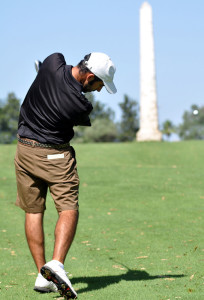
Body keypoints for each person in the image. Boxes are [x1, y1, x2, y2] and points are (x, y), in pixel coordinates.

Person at [14, 52, 116, 299]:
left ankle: (42, 275)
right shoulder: (80, 105)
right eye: (100, 85)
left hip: (24, 151)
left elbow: (53, 71)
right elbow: (76, 109)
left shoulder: (52, 62)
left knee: (33, 212)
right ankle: (56, 264)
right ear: (90, 76)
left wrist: (43, 75)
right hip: (55, 158)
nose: (99, 91)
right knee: (68, 208)